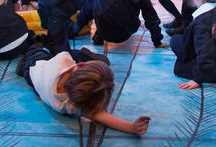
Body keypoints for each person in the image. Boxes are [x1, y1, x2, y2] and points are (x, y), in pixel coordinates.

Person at [16, 43, 150, 135]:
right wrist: (131, 127)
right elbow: (102, 116)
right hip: (36, 85)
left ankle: (30, 52)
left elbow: (62, 60)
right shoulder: (70, 106)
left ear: (79, 65)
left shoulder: (64, 60)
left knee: (38, 50)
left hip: (35, 68)